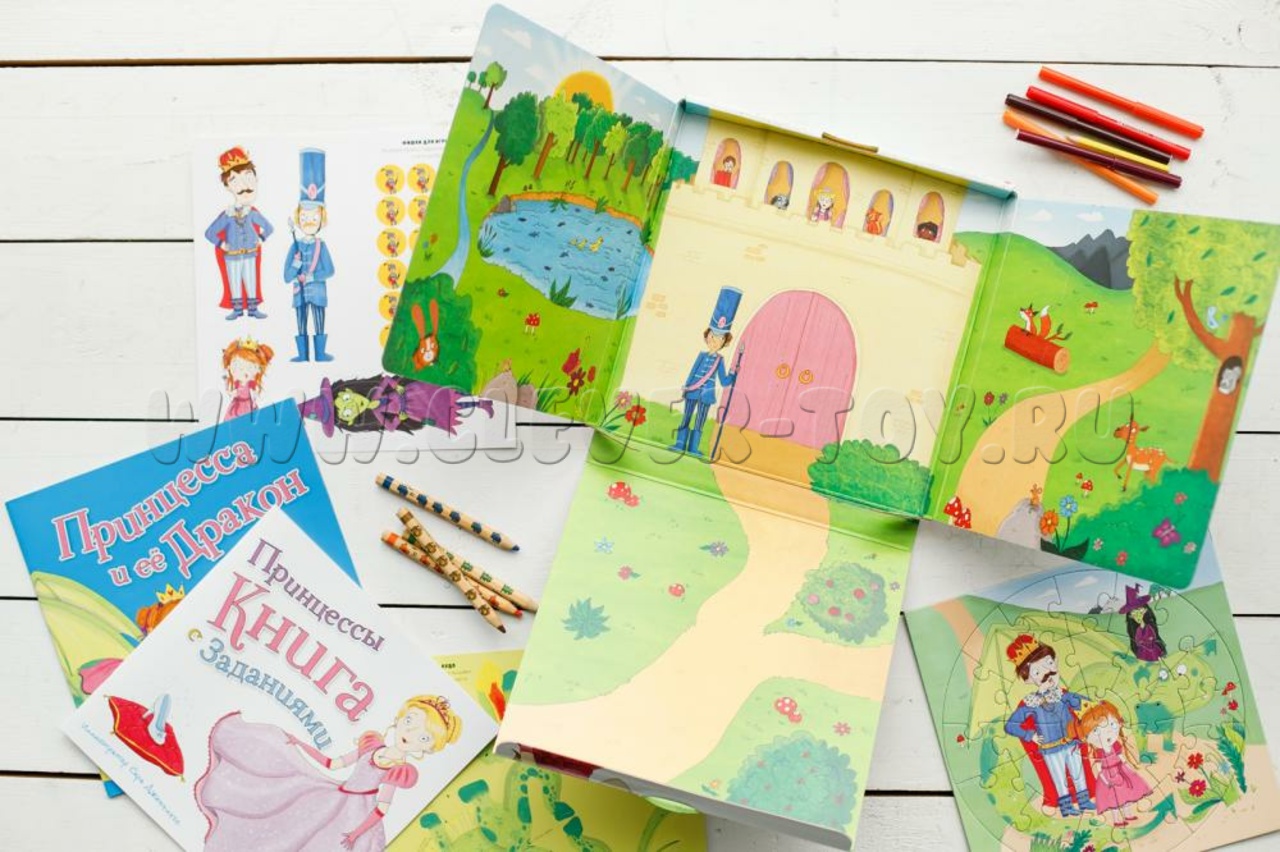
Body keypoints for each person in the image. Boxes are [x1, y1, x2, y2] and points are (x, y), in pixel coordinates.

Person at [194, 696, 462, 851]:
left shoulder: (398, 770)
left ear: (427, 748)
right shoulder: (372, 744)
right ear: (399, 719)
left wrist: (356, 833)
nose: (410, 733)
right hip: (336, 794)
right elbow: (333, 763)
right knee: (289, 825)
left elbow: (381, 809)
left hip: (358, 814)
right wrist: (300, 744)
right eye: (409, 721)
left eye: (423, 737)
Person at [1003, 634, 1098, 817]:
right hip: (1050, 749)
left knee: (1078, 774)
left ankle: (1084, 801)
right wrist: (1030, 735)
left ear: (1056, 662)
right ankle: (1066, 807)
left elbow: (1083, 703)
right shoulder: (1031, 702)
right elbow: (1010, 726)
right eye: (1038, 672)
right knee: (1060, 779)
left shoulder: (1063, 694)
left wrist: (1096, 708)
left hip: (1071, 743)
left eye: (1049, 664)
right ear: (1028, 680)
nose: (1047, 673)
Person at [670, 287, 741, 458]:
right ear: (707, 336)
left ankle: (693, 448)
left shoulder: (720, 360)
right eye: (712, 336)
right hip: (693, 391)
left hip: (707, 395)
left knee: (700, 421)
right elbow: (692, 372)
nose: (714, 341)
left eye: (719, 338)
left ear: (725, 342)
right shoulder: (701, 355)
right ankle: (680, 444)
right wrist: (686, 387)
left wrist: (734, 373)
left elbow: (724, 381)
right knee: (686, 417)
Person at [205, 147, 273, 320]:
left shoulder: (252, 213)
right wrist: (221, 244)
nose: (243, 185)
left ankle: (253, 309)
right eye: (234, 180)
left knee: (251, 280)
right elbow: (210, 232)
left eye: (247, 175)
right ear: (228, 186)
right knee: (234, 281)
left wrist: (261, 238)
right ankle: (237, 310)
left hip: (250, 254)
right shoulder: (227, 215)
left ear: (256, 177)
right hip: (232, 256)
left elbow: (268, 227)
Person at [285, 148, 335, 362]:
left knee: (319, 320)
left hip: (318, 292)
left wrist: (312, 277)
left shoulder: (321, 246)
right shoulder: (294, 246)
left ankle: (320, 353)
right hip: (299, 293)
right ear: (298, 219)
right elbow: (286, 276)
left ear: (321, 219)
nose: (309, 222)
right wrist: (296, 266)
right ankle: (303, 354)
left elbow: (330, 270)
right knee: (301, 320)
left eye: (313, 218)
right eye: (305, 218)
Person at [1076, 699, 1152, 826]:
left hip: (1121, 771)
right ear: (1086, 737)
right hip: (1108, 776)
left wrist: (1128, 768)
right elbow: (1099, 768)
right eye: (1096, 731)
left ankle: (1128, 814)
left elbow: (1121, 757)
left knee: (1126, 794)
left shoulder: (1115, 745)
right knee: (1114, 799)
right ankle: (1117, 820)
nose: (1107, 732)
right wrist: (1106, 781)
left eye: (1112, 724)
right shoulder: (1099, 752)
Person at [221, 337, 274, 421]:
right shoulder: (237, 383)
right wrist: (228, 388)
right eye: (239, 368)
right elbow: (232, 392)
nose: (245, 372)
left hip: (248, 405)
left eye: (250, 368)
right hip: (237, 405)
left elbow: (253, 392)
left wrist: (254, 400)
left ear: (258, 369)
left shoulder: (250, 384)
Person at [1120, 584, 1167, 661]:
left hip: (1154, 648)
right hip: (1142, 651)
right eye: (1134, 612)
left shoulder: (1149, 619)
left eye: (1140, 609)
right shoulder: (1132, 625)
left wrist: (1144, 626)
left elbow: (1153, 632)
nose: (1137, 613)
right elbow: (1136, 638)